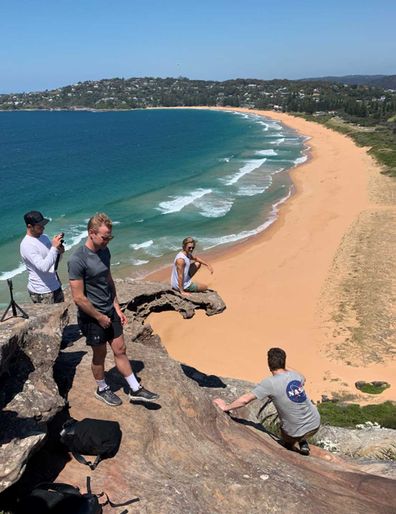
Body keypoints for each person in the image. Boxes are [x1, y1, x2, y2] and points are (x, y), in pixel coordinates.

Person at [68, 212, 159, 406]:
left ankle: (135, 389)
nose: (108, 241)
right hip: (92, 318)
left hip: (109, 310)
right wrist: (99, 317)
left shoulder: (104, 251)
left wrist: (117, 307)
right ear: (92, 233)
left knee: (120, 349)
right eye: (104, 237)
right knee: (99, 355)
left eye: (110, 237)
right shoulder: (77, 259)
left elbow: (108, 280)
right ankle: (102, 388)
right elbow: (78, 298)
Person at [213, 347, 320, 456]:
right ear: (284, 362)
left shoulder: (270, 383)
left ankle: (292, 445)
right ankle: (303, 442)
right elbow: (304, 379)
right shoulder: (296, 375)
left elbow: (245, 400)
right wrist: (284, 366)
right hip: (315, 424)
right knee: (295, 411)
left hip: (294, 433)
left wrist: (225, 407)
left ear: (269, 366)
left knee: (283, 427)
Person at [20, 210, 65, 304]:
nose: (43, 227)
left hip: (55, 284)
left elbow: (54, 261)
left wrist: (59, 251)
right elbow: (43, 267)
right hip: (42, 291)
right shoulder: (27, 245)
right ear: (29, 226)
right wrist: (54, 248)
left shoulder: (44, 237)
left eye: (43, 224)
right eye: (39, 226)